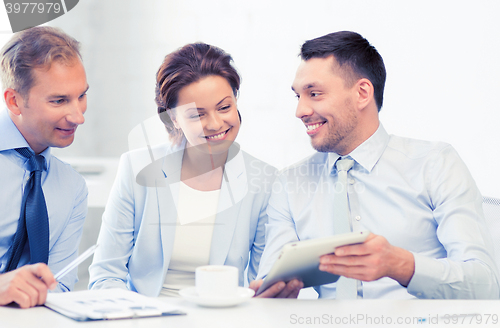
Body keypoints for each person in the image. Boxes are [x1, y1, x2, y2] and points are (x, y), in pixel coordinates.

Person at [252, 31, 499, 299]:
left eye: (314, 93)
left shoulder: (435, 164)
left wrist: (402, 265)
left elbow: (485, 284)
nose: (300, 111)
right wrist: (272, 295)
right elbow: (271, 279)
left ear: (362, 93)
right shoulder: (289, 183)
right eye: (298, 96)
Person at [88, 43, 277, 297]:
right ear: (173, 119)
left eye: (224, 107)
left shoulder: (264, 180)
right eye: (197, 115)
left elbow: (262, 285)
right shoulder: (137, 169)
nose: (215, 124)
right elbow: (106, 275)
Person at [0, 26, 89, 308]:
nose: (78, 116)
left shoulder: (72, 187)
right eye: (59, 100)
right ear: (15, 101)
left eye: (82, 96)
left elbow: (59, 286)